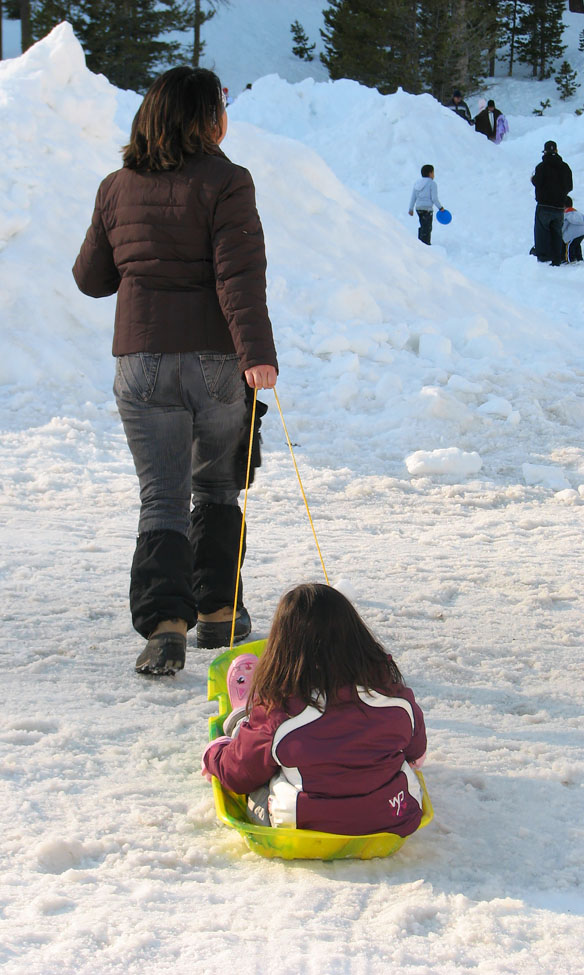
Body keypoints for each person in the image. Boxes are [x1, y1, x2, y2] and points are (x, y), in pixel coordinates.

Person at [73, 67, 278, 676]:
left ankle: (165, 627)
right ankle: (218, 611)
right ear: (206, 117)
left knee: (161, 495)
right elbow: (238, 276)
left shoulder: (116, 186)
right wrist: (257, 354)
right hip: (216, 361)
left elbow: (91, 279)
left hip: (141, 360)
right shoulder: (227, 181)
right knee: (216, 487)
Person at [202, 583, 427, 836]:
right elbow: (415, 753)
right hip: (392, 816)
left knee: (264, 767)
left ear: (283, 650)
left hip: (303, 825)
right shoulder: (394, 697)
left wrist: (214, 754)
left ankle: (241, 718)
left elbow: (238, 774)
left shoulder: (281, 713)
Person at [530, 140, 573, 266]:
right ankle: (557, 258)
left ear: (545, 152)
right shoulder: (565, 167)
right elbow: (570, 186)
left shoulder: (541, 167)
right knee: (557, 233)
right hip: (559, 206)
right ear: (557, 151)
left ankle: (543, 258)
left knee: (542, 232)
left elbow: (537, 182)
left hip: (544, 206)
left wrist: (533, 179)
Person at [408, 164, 446, 246]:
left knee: (423, 225)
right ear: (430, 173)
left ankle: (420, 242)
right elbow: (434, 198)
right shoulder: (432, 184)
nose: (434, 175)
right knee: (427, 228)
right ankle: (425, 245)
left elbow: (413, 197)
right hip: (427, 209)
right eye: (433, 173)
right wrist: (440, 208)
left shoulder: (417, 183)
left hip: (418, 208)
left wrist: (411, 209)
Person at [562, 196, 584, 263]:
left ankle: (569, 260)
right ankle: (579, 259)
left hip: (573, 234)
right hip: (583, 232)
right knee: (576, 245)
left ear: (564, 206)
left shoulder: (566, 215)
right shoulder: (577, 213)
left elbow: (563, 226)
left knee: (569, 247)